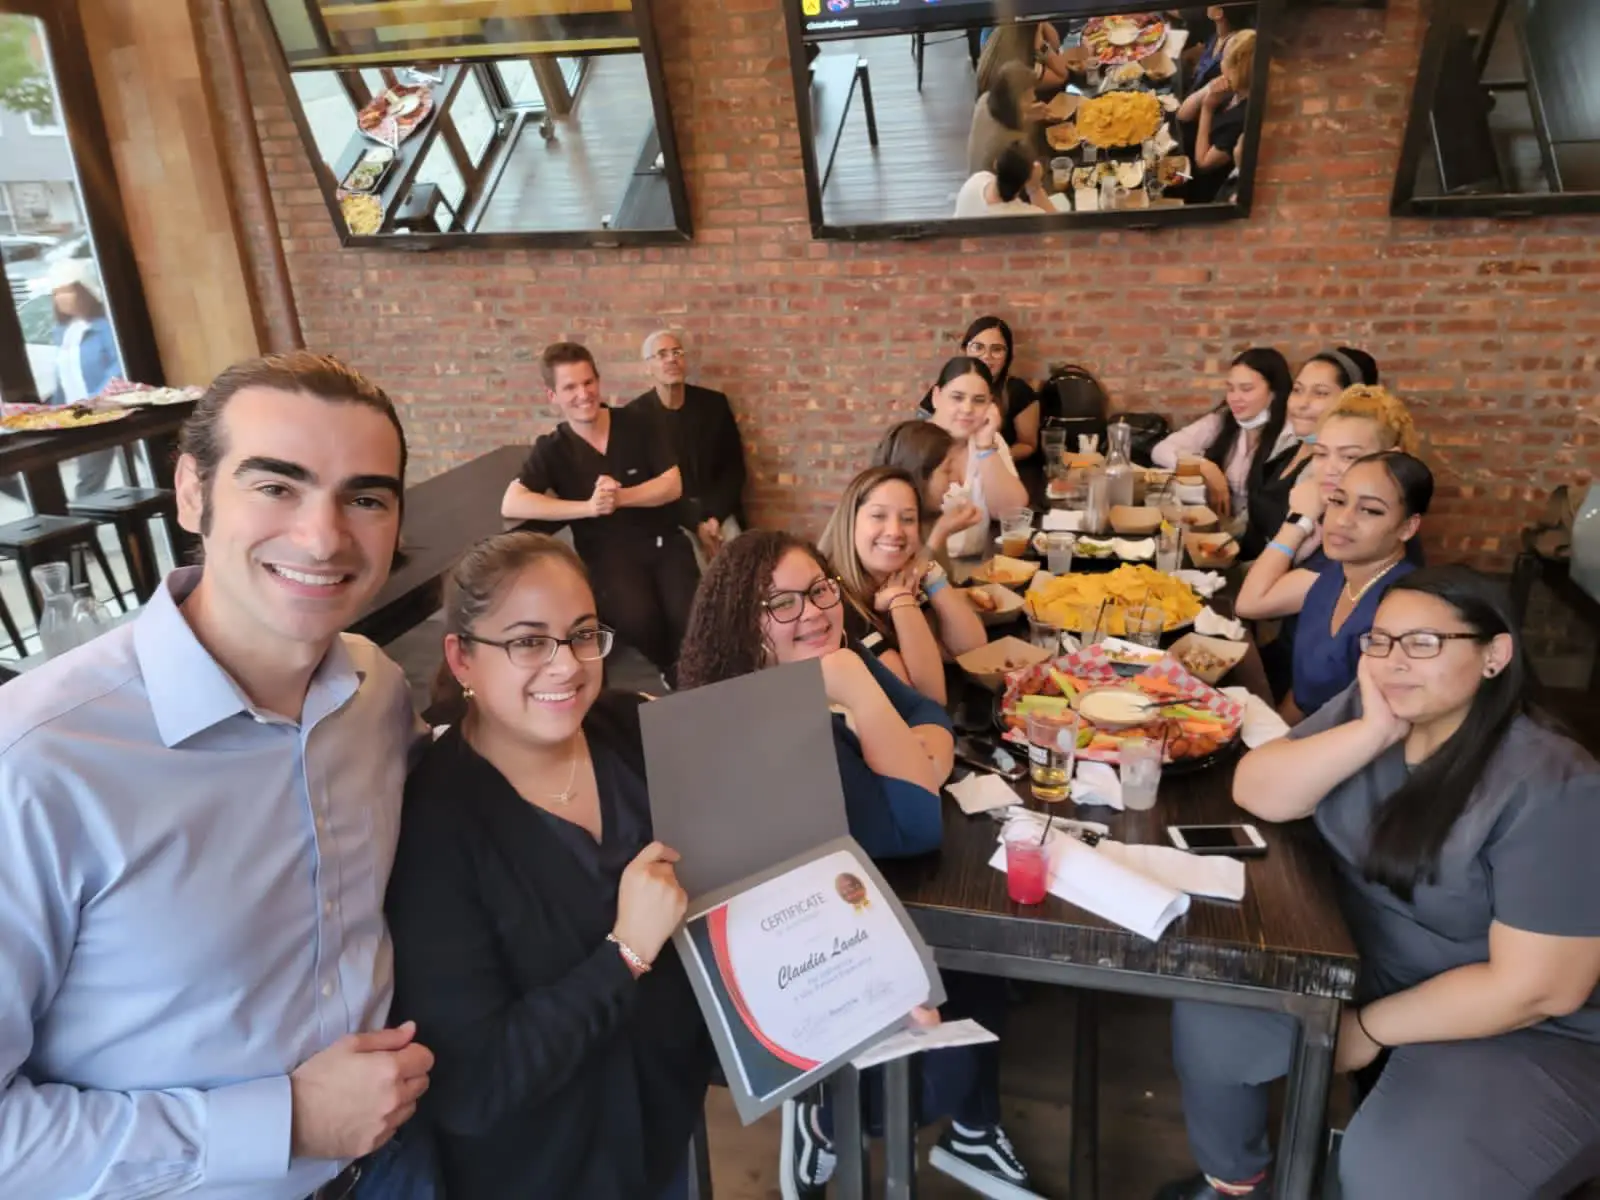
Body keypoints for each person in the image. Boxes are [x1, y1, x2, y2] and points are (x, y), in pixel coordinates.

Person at [0, 352, 431, 1197]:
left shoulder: (376, 690)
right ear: (191, 491)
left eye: (366, 498)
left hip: (396, 1167)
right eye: (277, 486)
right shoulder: (38, 761)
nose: (324, 536)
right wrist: (284, 1122)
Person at [1158, 566, 1600, 1200]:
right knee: (1212, 1014)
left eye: (1424, 643)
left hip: (1521, 1028)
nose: (1394, 661)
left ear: (1495, 654)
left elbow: (1538, 989)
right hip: (1360, 956)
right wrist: (1371, 732)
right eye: (1381, 641)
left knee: (1400, 1173)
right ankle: (1240, 1183)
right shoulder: (1382, 712)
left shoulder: (1556, 784)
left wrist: (1366, 1029)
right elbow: (1259, 790)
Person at [677, 531, 1040, 1200]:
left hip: (876, 895)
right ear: (741, 620)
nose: (813, 612)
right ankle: (822, 1121)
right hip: (806, 956)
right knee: (939, 1061)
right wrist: (862, 697)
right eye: (780, 603)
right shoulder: (767, 718)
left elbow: (931, 713)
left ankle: (967, 1129)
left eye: (819, 590)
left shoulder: (827, 657)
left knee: (987, 977)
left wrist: (917, 752)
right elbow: (914, 823)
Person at [386, 531, 713, 1199]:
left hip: (664, 1123)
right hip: (544, 1169)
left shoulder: (630, 733)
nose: (567, 665)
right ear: (464, 658)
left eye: (583, 634)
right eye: (529, 641)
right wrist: (624, 952)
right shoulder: (435, 827)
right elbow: (476, 1084)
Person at [502, 341, 699, 686]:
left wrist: (620, 497)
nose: (583, 394)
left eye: (588, 382)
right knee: (638, 619)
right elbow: (513, 502)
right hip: (609, 555)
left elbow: (671, 484)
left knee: (689, 614)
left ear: (598, 381)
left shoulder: (638, 422)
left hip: (664, 541)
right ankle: (673, 668)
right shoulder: (553, 447)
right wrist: (588, 508)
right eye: (570, 387)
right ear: (553, 395)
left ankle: (693, 672)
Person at [1263, 451, 1432, 721]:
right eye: (1338, 501)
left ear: (1407, 528)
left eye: (1370, 510)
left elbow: (1387, 729)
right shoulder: (1331, 577)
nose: (1342, 520)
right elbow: (1303, 694)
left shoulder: (1404, 613)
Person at [817, 465, 986, 705]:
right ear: (851, 523)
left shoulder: (899, 574)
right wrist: (901, 599)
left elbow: (972, 649)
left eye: (907, 519)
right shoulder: (836, 602)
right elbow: (927, 701)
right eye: (878, 516)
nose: (895, 531)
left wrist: (930, 572)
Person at [1241, 347, 1380, 560]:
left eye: (1320, 393)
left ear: (1351, 402)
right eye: (1297, 390)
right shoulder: (1288, 444)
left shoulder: (1331, 475)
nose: (1302, 403)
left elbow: (1301, 561)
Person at [627, 328, 748, 562]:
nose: (672, 359)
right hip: (672, 517)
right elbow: (647, 485)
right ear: (647, 367)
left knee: (737, 558)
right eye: (662, 354)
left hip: (718, 512)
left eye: (677, 352)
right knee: (687, 556)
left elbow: (734, 469)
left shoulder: (714, 405)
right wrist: (695, 524)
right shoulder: (635, 417)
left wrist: (714, 519)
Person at [1150, 347, 1295, 518]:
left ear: (1274, 392)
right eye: (1231, 389)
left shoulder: (1289, 436)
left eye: (1246, 389)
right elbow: (1160, 450)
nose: (1234, 398)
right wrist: (1204, 467)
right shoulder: (1224, 420)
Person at [920, 356, 1030, 559]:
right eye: (957, 397)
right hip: (925, 567)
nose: (967, 409)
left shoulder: (990, 440)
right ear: (936, 396)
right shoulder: (912, 443)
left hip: (979, 565)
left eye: (979, 400)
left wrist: (985, 447)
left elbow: (1011, 512)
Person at [46, 257, 125, 495]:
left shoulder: (105, 327)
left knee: (90, 484)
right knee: (89, 482)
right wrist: (54, 412)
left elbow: (118, 368)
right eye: (56, 292)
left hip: (107, 412)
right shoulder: (63, 332)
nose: (62, 297)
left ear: (84, 291)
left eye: (68, 290)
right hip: (80, 417)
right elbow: (63, 377)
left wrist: (95, 399)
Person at [918, 317, 1042, 462]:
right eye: (978, 347)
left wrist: (992, 458)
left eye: (996, 349)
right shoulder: (946, 387)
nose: (986, 356)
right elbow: (922, 438)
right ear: (965, 349)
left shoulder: (1018, 391)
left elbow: (1028, 444)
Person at [871, 420, 985, 562]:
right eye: (947, 471)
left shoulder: (928, 518)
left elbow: (941, 582)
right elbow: (912, 581)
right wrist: (939, 534)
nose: (956, 481)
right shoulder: (888, 531)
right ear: (920, 475)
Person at [1176, 29, 1255, 204]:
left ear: (1237, 68)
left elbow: (1203, 164)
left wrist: (1207, 108)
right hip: (1184, 155)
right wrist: (1207, 90)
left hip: (1200, 187)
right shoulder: (1233, 88)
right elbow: (1183, 114)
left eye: (1225, 58)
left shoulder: (1243, 117)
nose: (1221, 62)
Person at [967, 62, 1045, 178]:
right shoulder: (1012, 143)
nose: (1034, 98)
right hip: (994, 188)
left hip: (974, 180)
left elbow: (1006, 119)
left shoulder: (985, 100)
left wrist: (1027, 113)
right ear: (1017, 102)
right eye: (1029, 96)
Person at [953, 144, 1054, 219]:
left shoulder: (977, 180)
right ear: (1026, 180)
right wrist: (1035, 189)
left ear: (996, 164)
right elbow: (1058, 227)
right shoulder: (1026, 216)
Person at [974, 20, 1070, 97]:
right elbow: (1062, 75)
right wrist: (1041, 46)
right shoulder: (1022, 67)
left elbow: (1055, 44)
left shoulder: (998, 35)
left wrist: (1040, 20)